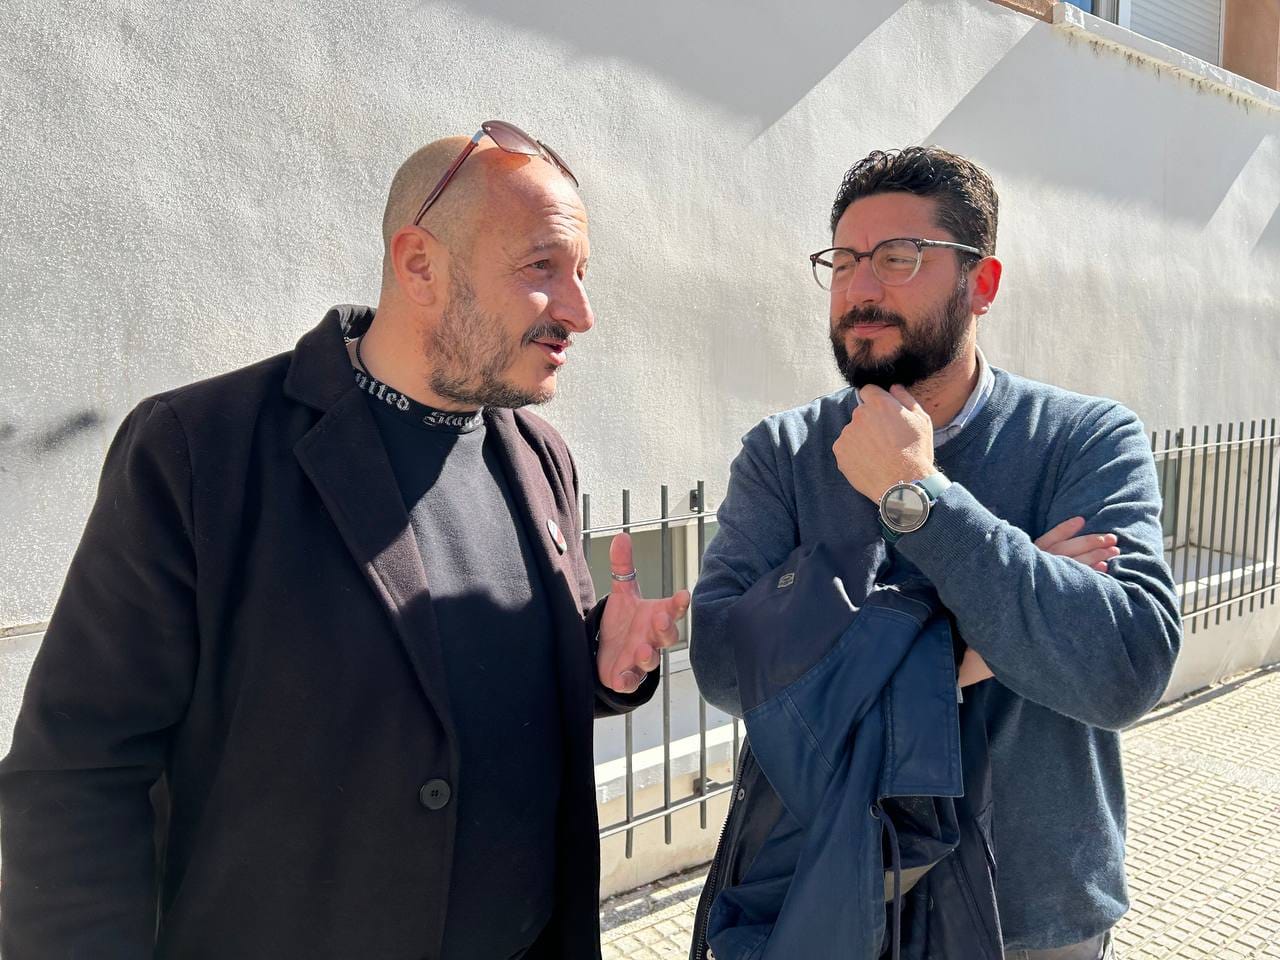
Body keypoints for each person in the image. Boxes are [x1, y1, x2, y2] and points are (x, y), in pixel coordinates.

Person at [0, 120, 690, 960]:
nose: (580, 312)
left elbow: (482, 690)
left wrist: (602, 668)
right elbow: (79, 774)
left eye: (582, 273)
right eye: (542, 267)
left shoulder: (542, 456)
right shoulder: (199, 450)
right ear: (419, 264)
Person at [690, 146, 1181, 959]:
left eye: (898, 257)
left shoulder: (1083, 439)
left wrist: (919, 497)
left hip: (1033, 915)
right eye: (844, 261)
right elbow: (721, 662)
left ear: (980, 284)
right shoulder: (784, 453)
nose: (861, 288)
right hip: (830, 897)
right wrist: (969, 644)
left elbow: (1124, 665)